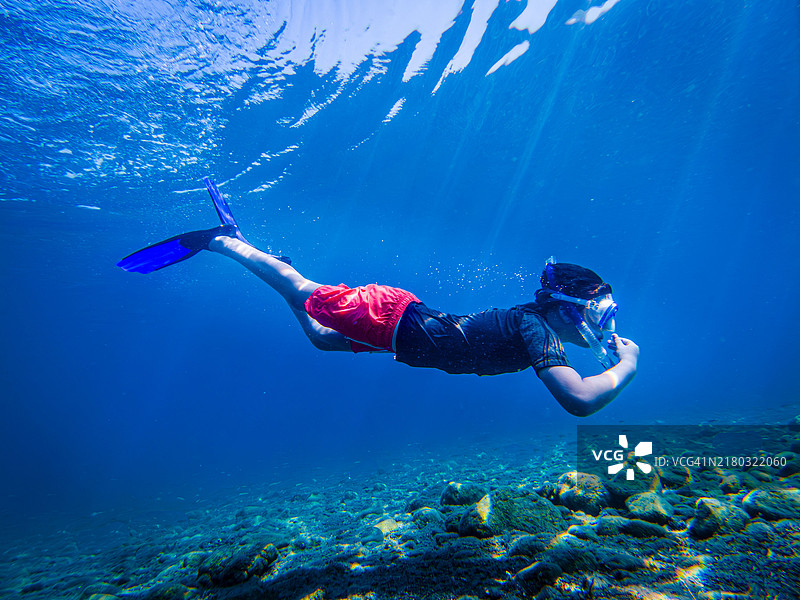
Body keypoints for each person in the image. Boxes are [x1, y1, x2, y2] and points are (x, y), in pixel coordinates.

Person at [118, 178, 639, 417]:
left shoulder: (542, 329)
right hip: (392, 318)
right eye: (600, 313)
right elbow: (580, 400)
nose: (605, 324)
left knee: (320, 338)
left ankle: (281, 270)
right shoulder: (538, 330)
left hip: (405, 335)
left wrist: (608, 353)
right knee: (304, 293)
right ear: (564, 307)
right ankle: (221, 240)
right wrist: (627, 367)